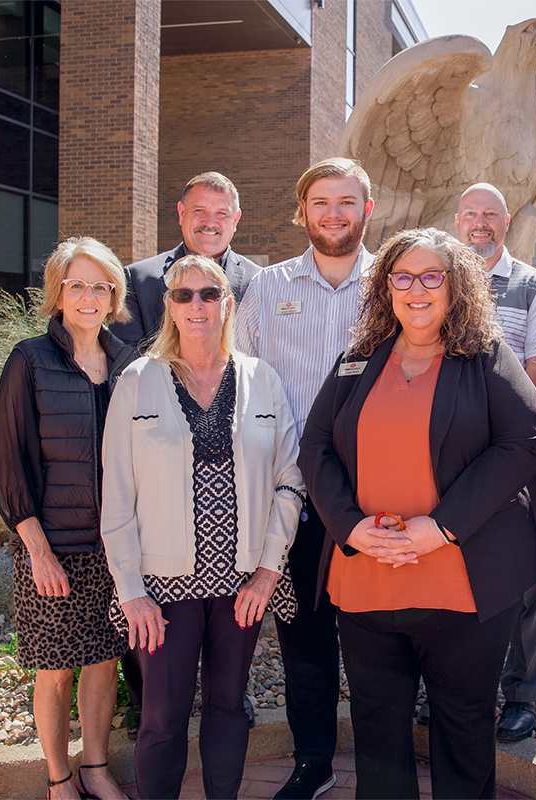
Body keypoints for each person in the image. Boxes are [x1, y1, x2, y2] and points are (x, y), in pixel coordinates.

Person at [299, 228, 536, 798]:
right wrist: (350, 526)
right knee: (378, 738)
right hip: (367, 582)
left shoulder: (485, 358)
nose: (416, 289)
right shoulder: (359, 359)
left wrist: (442, 528)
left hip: (461, 586)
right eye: (403, 276)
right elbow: (315, 446)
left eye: (432, 276)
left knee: (462, 733)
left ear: (456, 287)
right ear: (386, 287)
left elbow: (524, 441)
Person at [100, 255, 304, 800]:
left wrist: (267, 573)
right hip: (162, 587)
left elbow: (291, 481)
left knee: (228, 706)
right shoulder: (139, 381)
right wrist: (131, 594)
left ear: (227, 303)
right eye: (184, 295)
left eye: (208, 294)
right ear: (169, 305)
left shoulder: (262, 379)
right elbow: (117, 496)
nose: (196, 305)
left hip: (242, 583)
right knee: (162, 717)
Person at [234, 156, 375, 799]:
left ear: (367, 210)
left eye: (346, 202)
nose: (334, 214)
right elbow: (241, 380)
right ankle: (313, 761)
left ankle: (382, 766)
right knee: (307, 640)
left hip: (380, 490)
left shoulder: (393, 282)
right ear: (303, 211)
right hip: (296, 493)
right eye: (321, 202)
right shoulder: (267, 288)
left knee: (380, 640)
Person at [0, 236, 135, 800]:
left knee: (103, 663)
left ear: (114, 296)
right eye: (76, 284)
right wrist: (39, 552)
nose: (88, 295)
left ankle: (96, 770)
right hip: (54, 550)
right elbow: (10, 466)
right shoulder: (30, 360)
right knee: (55, 670)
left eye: (100, 286)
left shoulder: (129, 363)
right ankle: (58, 779)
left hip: (115, 549)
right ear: (57, 292)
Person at [453, 182, 536, 742]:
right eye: (470, 213)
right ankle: (453, 688)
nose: (479, 223)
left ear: (506, 220)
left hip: (516, 454)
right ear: (456, 220)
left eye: (490, 214)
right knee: (453, 568)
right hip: (449, 457)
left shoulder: (535, 287)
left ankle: (521, 695)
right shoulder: (436, 282)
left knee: (525, 579)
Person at [111, 171, 260, 354]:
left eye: (221, 213)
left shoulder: (258, 281)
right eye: (199, 211)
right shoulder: (137, 280)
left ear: (235, 220)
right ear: (182, 213)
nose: (209, 222)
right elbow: (126, 360)